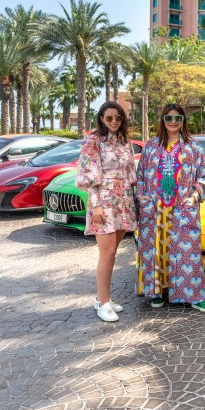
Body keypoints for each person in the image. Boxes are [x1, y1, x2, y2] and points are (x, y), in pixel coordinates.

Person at [135, 103, 205, 313]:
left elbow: (203, 177)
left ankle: (195, 296)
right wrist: (143, 199)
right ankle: (157, 292)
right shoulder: (151, 146)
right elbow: (140, 176)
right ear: (162, 120)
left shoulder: (193, 146)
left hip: (183, 208)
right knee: (156, 250)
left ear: (183, 121)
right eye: (169, 118)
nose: (173, 122)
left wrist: (195, 196)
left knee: (188, 252)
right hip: (154, 209)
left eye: (177, 118)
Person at [76, 101, 138, 323]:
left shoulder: (124, 141)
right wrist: (96, 204)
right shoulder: (93, 141)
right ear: (101, 118)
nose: (114, 121)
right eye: (109, 117)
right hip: (104, 199)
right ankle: (102, 303)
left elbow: (131, 173)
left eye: (118, 118)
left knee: (114, 251)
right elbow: (88, 174)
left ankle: (103, 298)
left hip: (123, 200)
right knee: (107, 253)